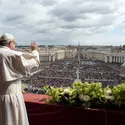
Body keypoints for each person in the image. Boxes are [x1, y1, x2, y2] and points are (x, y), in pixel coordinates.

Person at [0, 33, 40, 125]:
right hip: (10, 98)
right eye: (15, 43)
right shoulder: (11, 54)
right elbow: (34, 62)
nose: (14, 46)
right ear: (10, 43)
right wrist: (34, 51)